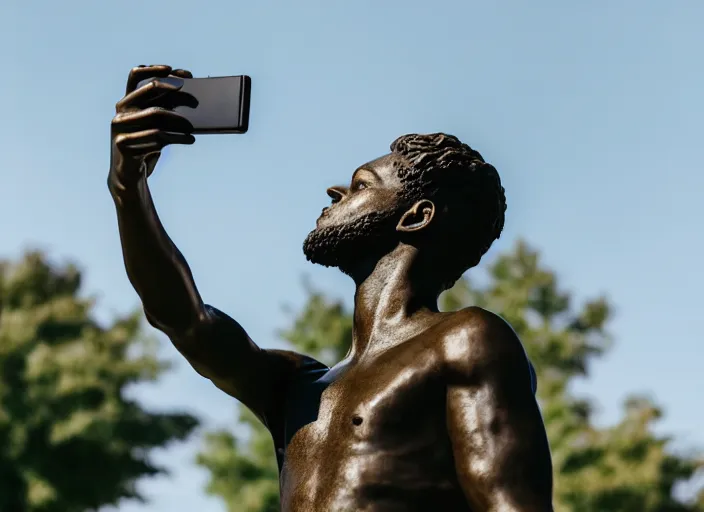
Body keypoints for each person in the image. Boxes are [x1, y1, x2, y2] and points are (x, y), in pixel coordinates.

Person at [108, 64, 554, 511]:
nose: (335, 190)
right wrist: (129, 186)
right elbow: (184, 320)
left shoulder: (465, 341)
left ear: (415, 216)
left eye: (362, 185)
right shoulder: (296, 388)